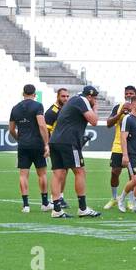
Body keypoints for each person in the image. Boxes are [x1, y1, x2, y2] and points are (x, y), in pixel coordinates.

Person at [49, 85, 101, 218]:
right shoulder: (82, 101)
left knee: (58, 174)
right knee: (80, 171)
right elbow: (94, 121)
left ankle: (56, 209)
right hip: (69, 142)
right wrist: (95, 108)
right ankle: (83, 208)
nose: (95, 100)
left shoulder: (74, 100)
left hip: (55, 140)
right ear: (90, 97)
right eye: (94, 98)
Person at [8, 84, 51, 213]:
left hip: (23, 145)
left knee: (23, 175)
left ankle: (26, 205)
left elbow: (11, 129)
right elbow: (42, 125)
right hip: (37, 144)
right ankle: (44, 203)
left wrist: (19, 139)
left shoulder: (15, 108)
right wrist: (46, 144)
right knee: (42, 173)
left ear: (23, 93)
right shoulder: (38, 106)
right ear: (34, 94)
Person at [104, 84, 136, 211]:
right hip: (118, 146)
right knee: (114, 172)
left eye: (131, 93)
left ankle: (130, 201)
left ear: (135, 94)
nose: (129, 95)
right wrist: (120, 114)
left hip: (133, 147)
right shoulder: (118, 107)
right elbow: (108, 124)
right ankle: (114, 198)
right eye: (127, 93)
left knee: (132, 175)